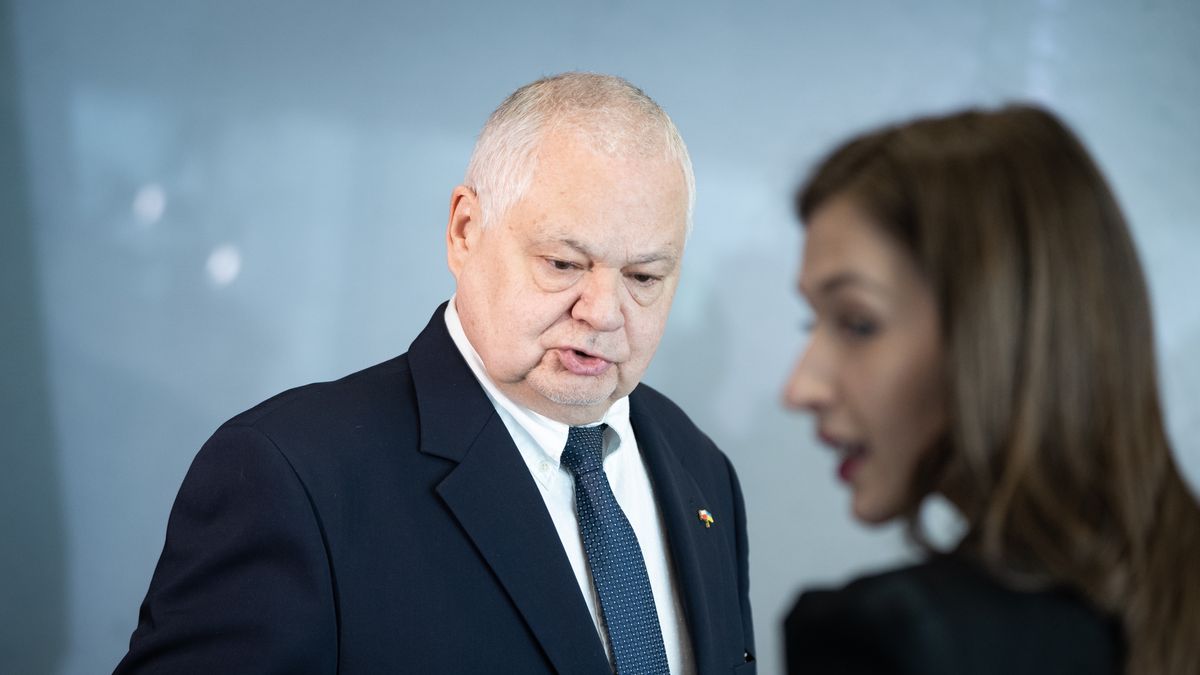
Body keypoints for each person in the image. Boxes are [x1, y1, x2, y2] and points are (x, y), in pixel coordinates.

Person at [116, 72, 755, 674]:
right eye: (563, 263)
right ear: (464, 230)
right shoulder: (291, 475)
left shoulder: (700, 469)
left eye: (644, 277)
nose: (604, 312)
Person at [781, 105, 1200, 675]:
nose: (799, 388)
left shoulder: (893, 638)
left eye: (857, 323)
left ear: (1000, 333)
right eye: (813, 324)